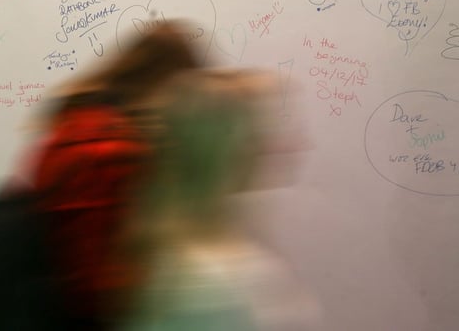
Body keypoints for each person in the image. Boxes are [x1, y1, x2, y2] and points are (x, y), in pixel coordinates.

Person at [14, 20, 205, 330]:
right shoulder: (112, 148)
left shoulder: (75, 119)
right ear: (167, 84)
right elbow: (102, 275)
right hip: (86, 312)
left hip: (49, 299)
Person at [117, 69, 321, 331]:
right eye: (262, 130)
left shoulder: (160, 258)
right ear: (235, 150)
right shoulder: (225, 284)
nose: (297, 145)